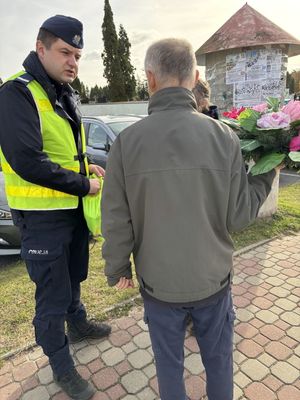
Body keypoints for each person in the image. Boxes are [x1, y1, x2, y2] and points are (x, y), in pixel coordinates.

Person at [101, 38, 277, 400]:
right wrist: (268, 169)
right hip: (212, 280)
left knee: (168, 366)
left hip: (158, 284)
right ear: (195, 77)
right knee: (219, 362)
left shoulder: (125, 143)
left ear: (149, 79)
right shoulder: (224, 137)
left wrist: (117, 267)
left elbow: (116, 217)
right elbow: (240, 215)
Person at [0, 15, 111, 400]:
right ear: (40, 47)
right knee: (51, 296)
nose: (73, 63)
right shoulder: (17, 93)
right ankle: (61, 366)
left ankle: (77, 324)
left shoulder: (62, 92)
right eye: (65, 52)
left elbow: (61, 151)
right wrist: (85, 183)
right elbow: (27, 160)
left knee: (74, 276)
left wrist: (86, 165)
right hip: (41, 219)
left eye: (78, 55)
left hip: (71, 212)